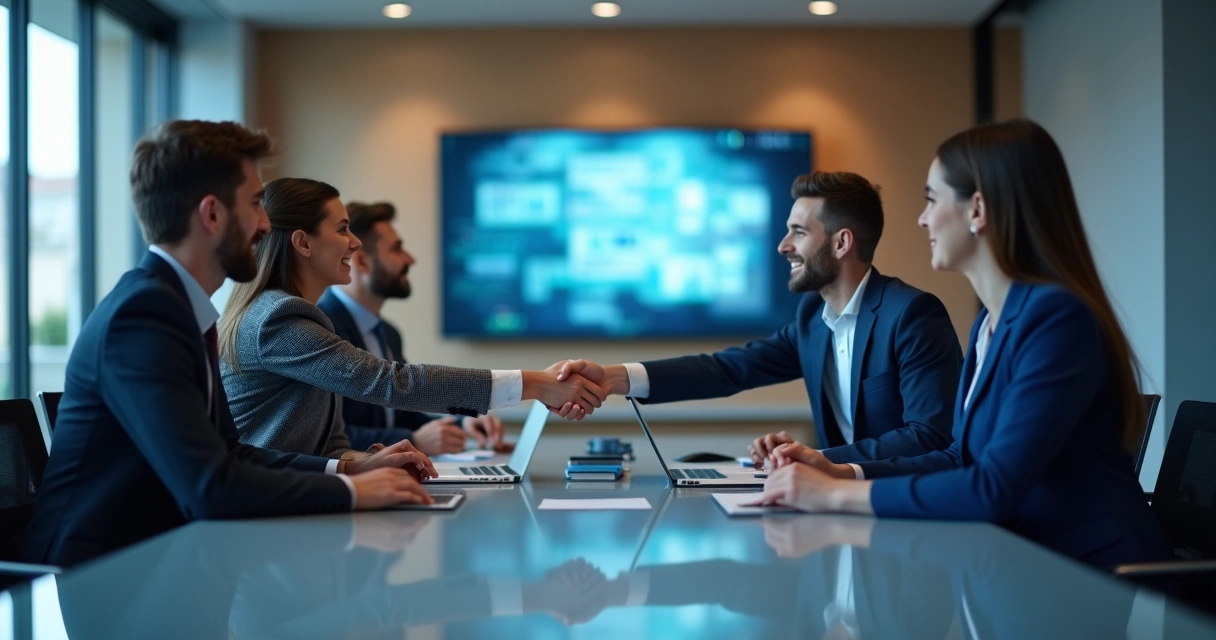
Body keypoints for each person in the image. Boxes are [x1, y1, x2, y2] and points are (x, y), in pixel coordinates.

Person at [21, 120, 439, 568]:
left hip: (152, 563)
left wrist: (345, 468)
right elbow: (210, 487)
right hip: (92, 582)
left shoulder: (178, 308)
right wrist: (351, 491)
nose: (265, 224)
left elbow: (230, 453)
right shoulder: (143, 316)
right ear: (213, 214)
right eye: (257, 203)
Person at [753, 120, 1169, 568]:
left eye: (932, 200)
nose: (922, 218)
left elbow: (992, 487)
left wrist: (835, 494)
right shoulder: (992, 320)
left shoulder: (1056, 318)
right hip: (1022, 563)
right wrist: (839, 470)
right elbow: (959, 457)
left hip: (1088, 579)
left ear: (977, 210)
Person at [559, 171, 962, 468]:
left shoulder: (911, 315)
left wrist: (815, 458)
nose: (783, 245)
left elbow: (930, 437)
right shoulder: (811, 318)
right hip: (835, 507)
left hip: (905, 514)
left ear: (842, 243)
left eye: (798, 232)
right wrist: (613, 378)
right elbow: (727, 369)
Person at [218, 177, 605, 460]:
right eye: (342, 230)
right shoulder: (279, 318)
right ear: (302, 243)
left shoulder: (301, 317)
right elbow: (390, 383)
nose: (354, 243)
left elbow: (331, 444)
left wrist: (371, 463)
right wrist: (534, 383)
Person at [316, 201, 504, 454]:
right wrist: (411, 441)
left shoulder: (388, 333)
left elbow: (407, 419)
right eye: (396, 249)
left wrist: (463, 422)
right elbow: (325, 436)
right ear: (361, 261)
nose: (410, 259)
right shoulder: (320, 327)